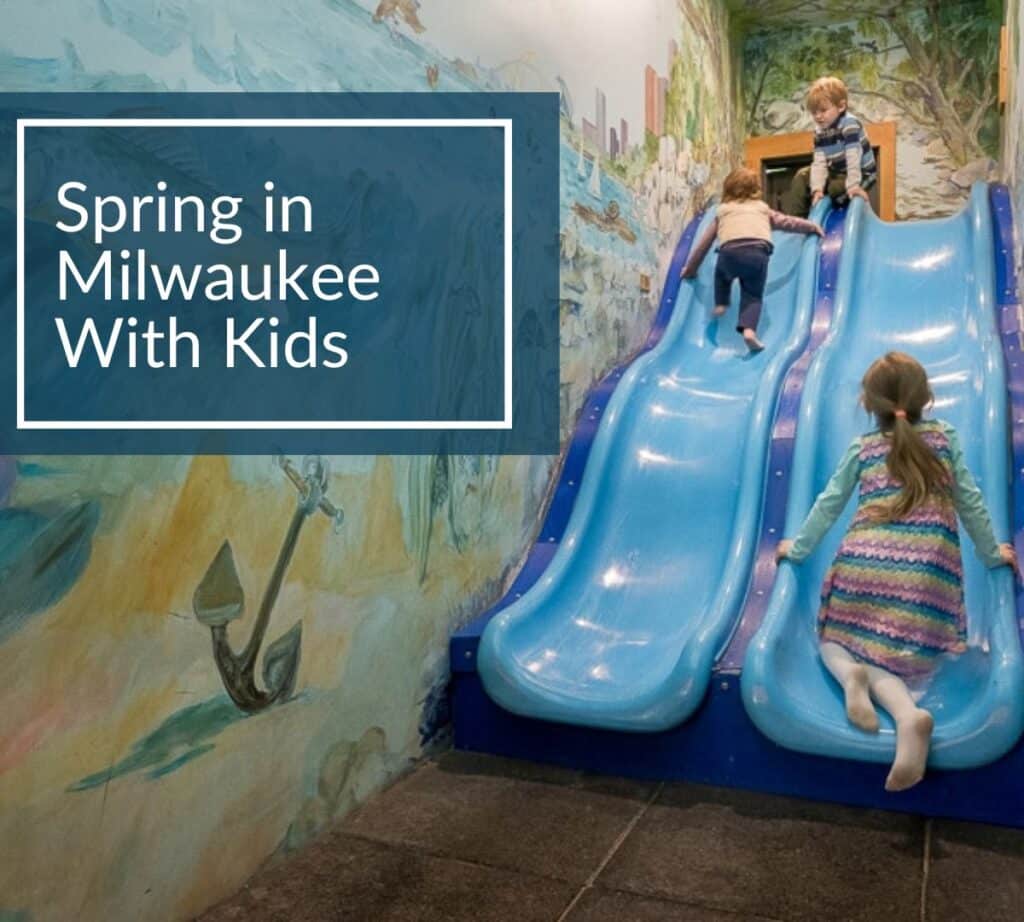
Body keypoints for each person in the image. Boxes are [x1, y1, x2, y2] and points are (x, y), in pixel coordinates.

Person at [776, 352, 1018, 792]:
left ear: (869, 405)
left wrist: (799, 547)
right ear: (927, 397)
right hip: (924, 576)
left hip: (861, 564)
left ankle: (859, 679)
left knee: (834, 640)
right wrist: (992, 553)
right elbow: (971, 503)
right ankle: (907, 715)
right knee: (897, 653)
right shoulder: (944, 440)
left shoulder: (863, 449)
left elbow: (828, 504)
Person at [680, 167, 822, 353]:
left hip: (729, 253)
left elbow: (703, 244)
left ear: (728, 190)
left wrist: (690, 269)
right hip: (758, 254)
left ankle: (721, 303)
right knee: (753, 296)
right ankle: (749, 331)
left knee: (721, 276)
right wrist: (811, 226)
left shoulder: (723, 211)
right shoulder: (762, 209)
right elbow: (788, 222)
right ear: (756, 190)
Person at [781, 76, 877, 217]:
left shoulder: (849, 124)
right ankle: (796, 221)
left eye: (823, 110)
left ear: (841, 106)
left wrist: (853, 186)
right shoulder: (820, 132)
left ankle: (840, 200)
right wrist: (817, 189)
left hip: (861, 174)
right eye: (814, 112)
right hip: (837, 172)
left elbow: (853, 157)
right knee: (802, 176)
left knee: (834, 188)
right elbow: (819, 163)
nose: (818, 116)